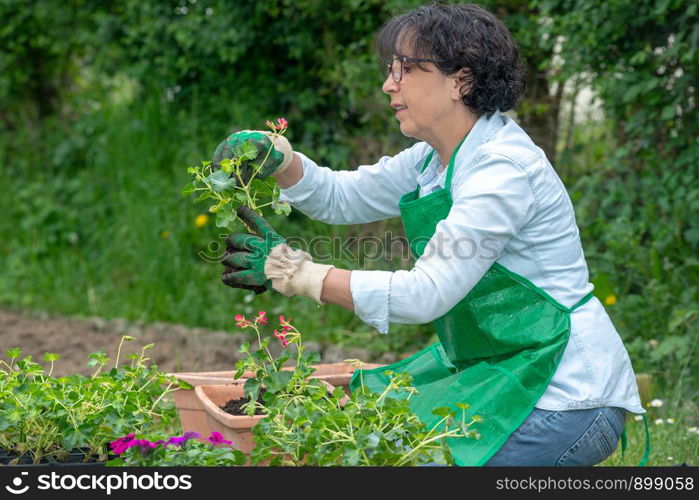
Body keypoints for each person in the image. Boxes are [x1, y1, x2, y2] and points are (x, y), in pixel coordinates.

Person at [213, 3, 645, 466]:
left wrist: (298, 274)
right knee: (377, 434)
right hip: (503, 367)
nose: (388, 84)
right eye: (390, 69)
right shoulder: (432, 158)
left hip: (567, 395)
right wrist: (284, 161)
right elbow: (342, 196)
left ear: (461, 80)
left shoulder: (501, 169)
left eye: (406, 69)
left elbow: (426, 294)